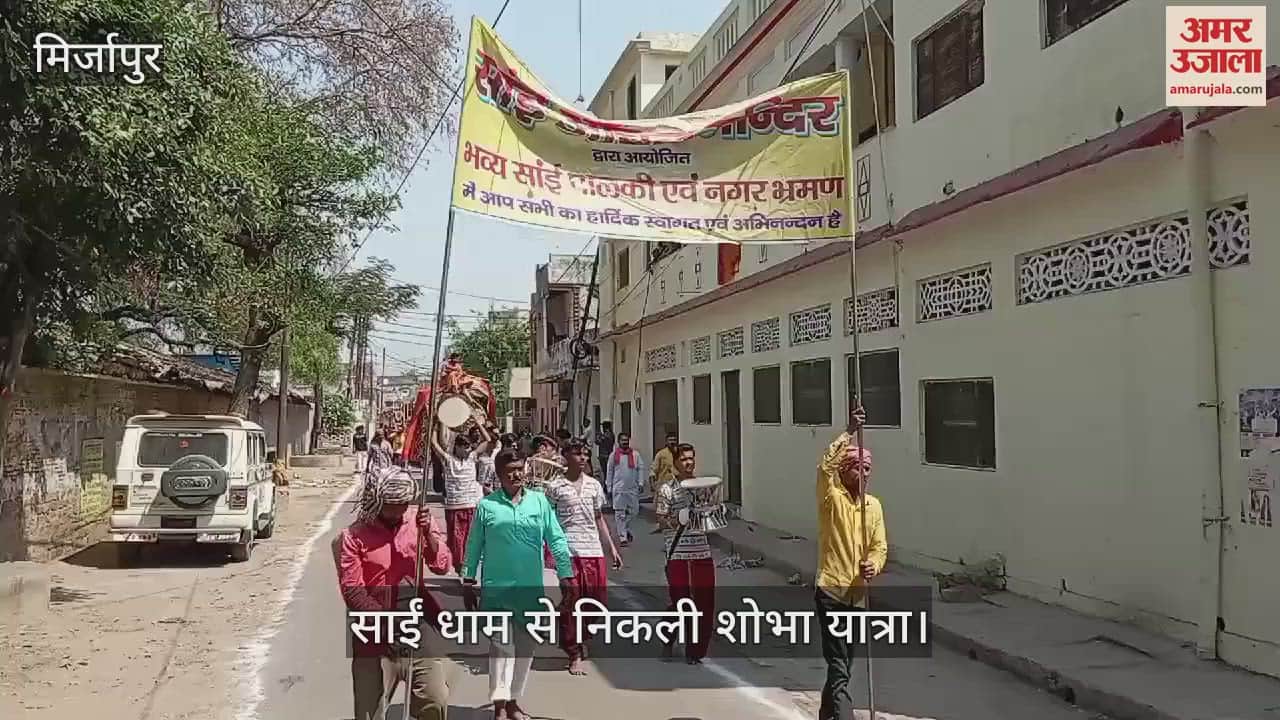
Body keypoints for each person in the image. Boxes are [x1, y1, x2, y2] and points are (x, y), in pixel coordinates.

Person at [462, 449, 575, 720]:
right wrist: (468, 579)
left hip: (530, 589)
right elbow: (474, 544)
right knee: (502, 648)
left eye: (519, 468)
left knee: (525, 649)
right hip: (496, 589)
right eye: (509, 470)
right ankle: (500, 706)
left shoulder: (539, 503)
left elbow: (556, 539)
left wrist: (565, 574)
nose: (516, 474)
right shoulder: (487, 506)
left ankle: (513, 701)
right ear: (499, 475)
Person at [335, 467, 453, 720]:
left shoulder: (417, 520)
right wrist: (389, 620)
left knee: (434, 700)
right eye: (393, 504)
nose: (400, 509)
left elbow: (442, 565)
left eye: (404, 502)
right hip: (373, 634)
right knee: (370, 712)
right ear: (377, 500)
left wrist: (429, 536)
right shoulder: (352, 537)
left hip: (418, 627)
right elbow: (353, 592)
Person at [814, 405, 887, 720]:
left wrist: (874, 563)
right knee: (839, 665)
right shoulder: (832, 499)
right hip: (831, 592)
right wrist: (848, 431)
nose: (864, 474)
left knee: (845, 664)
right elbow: (824, 467)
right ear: (844, 471)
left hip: (857, 596)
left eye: (868, 469)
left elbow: (879, 546)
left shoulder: (873, 506)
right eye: (857, 468)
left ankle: (826, 712)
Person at [543, 440, 623, 675]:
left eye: (586, 454)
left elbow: (599, 519)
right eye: (577, 453)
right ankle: (574, 651)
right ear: (565, 455)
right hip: (567, 551)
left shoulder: (594, 486)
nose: (583, 458)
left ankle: (581, 637)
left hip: (593, 551)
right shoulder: (555, 487)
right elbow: (547, 521)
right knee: (571, 601)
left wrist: (612, 549)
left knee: (597, 604)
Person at [656, 443, 715, 664]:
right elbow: (661, 519)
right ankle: (668, 638)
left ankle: (695, 651)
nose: (688, 463)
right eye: (684, 459)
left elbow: (709, 515)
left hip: (701, 552)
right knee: (681, 603)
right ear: (676, 462)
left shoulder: (703, 487)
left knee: (704, 604)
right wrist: (675, 520)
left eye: (691, 458)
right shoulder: (667, 489)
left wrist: (716, 514)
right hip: (678, 554)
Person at [431, 430, 492, 576]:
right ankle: (460, 567)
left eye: (469, 446)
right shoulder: (448, 460)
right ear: (456, 447)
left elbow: (487, 439)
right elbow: (434, 444)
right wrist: (434, 424)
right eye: (463, 446)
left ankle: (468, 567)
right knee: (456, 540)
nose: (467, 449)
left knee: (471, 539)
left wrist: (476, 421)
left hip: (471, 504)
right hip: (454, 506)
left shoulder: (472, 458)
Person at [604, 432, 645, 545]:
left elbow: (640, 469)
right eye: (623, 440)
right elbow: (610, 471)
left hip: (632, 488)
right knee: (619, 513)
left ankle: (625, 529)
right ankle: (623, 537)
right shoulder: (614, 455)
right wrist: (609, 488)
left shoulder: (635, 455)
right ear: (618, 442)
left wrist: (641, 483)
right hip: (618, 489)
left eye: (627, 440)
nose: (625, 442)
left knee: (634, 511)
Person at [648, 431, 679, 532]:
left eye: (674, 440)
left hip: (676, 485)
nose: (672, 442)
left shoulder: (679, 453)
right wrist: (652, 484)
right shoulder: (661, 454)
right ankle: (662, 525)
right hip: (663, 485)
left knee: (676, 507)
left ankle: (673, 526)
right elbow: (653, 470)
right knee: (661, 508)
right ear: (666, 441)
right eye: (670, 440)